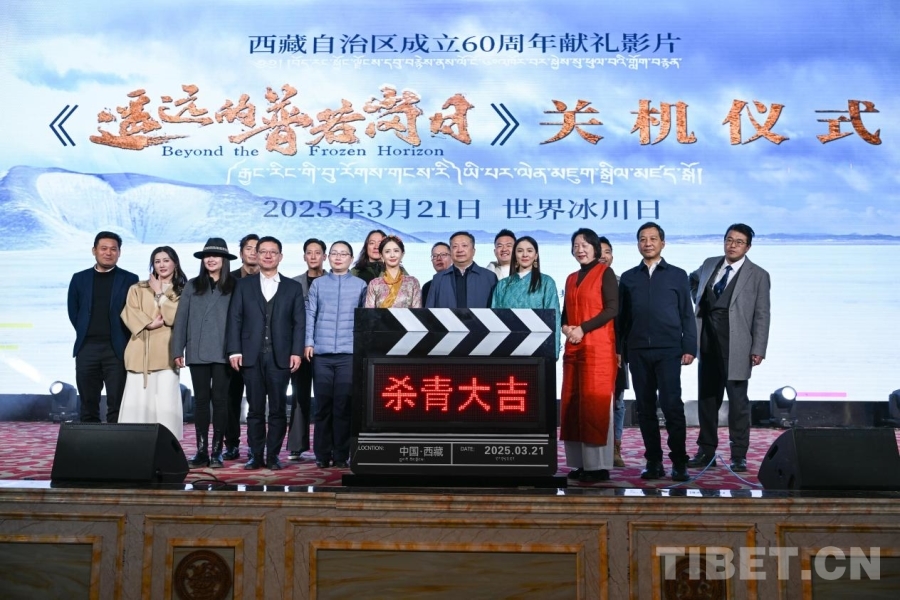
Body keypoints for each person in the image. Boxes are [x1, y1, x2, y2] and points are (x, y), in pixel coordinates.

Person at [687, 224, 771, 473]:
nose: (732, 245)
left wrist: (758, 348)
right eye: (729, 240)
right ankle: (706, 451)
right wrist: (698, 298)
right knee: (707, 400)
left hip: (738, 345)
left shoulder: (758, 274)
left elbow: (762, 314)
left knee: (738, 403)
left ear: (748, 247)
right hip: (707, 342)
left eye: (739, 242)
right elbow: (692, 279)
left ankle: (739, 454)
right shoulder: (710, 263)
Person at [618, 222, 697, 482]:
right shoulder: (628, 277)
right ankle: (653, 461)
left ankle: (679, 462)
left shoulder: (677, 275)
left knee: (672, 405)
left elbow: (687, 314)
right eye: (643, 239)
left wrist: (689, 346)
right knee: (645, 408)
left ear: (663, 243)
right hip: (638, 350)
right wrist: (620, 350)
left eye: (653, 238)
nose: (648, 243)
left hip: (669, 350)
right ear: (638, 244)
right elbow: (622, 319)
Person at [226, 236, 305, 470]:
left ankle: (273, 456)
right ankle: (256, 455)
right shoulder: (243, 285)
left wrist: (296, 352)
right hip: (251, 356)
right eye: (263, 252)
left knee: (278, 410)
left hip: (281, 357)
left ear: (280, 257)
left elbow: (299, 323)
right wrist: (234, 351)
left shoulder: (292, 287)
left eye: (273, 252)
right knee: (255, 409)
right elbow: (235, 318)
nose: (268, 256)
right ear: (257, 255)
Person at [559, 228, 619, 483]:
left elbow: (612, 309)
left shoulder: (605, 273)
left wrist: (582, 328)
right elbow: (565, 313)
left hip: (598, 350)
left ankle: (599, 466)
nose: (580, 249)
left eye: (585, 245)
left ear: (595, 248)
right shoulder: (571, 278)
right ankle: (580, 463)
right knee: (573, 405)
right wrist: (566, 328)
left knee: (595, 406)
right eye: (576, 245)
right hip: (574, 348)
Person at [170, 238, 236, 469]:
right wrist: (177, 349)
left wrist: (236, 350)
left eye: (215, 256)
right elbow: (181, 319)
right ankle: (201, 451)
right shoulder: (192, 285)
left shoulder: (234, 285)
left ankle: (217, 451)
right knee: (200, 402)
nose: (211, 259)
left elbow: (239, 320)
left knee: (220, 401)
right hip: (197, 350)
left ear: (224, 260)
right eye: (207, 256)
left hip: (223, 351)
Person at [305, 241, 367, 469]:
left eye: (343, 254)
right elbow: (310, 314)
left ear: (351, 258)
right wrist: (308, 342)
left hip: (348, 354)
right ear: (328, 257)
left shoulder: (361, 285)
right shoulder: (318, 284)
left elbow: (363, 320)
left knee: (343, 406)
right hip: (321, 354)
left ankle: (341, 454)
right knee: (322, 406)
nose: (338, 257)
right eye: (334, 253)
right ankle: (322, 454)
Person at [67, 231, 138, 423]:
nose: (108, 253)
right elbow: (74, 311)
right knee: (88, 403)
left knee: (117, 403)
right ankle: (90, 441)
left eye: (113, 249)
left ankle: (116, 441)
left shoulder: (130, 279)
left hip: (117, 348)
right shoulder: (79, 278)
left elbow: (134, 312)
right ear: (94, 250)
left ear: (119, 253)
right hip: (87, 348)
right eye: (103, 248)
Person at [119, 246, 187, 439]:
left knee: (166, 404)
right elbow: (129, 312)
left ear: (175, 263)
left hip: (166, 355)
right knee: (137, 404)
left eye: (166, 260)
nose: (162, 265)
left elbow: (174, 317)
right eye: (157, 261)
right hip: (139, 354)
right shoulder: (137, 288)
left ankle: (167, 446)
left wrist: (159, 293)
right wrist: (148, 324)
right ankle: (134, 444)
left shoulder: (182, 291)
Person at [287, 238, 327, 462]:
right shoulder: (294, 284)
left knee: (326, 398)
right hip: (300, 348)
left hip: (326, 348)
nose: (313, 256)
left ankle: (326, 446)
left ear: (325, 256)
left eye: (317, 252)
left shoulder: (333, 281)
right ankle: (297, 445)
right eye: (309, 252)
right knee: (299, 396)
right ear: (304, 257)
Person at [490, 236, 560, 354]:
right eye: (520, 251)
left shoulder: (547, 282)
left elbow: (554, 318)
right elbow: (494, 319)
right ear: (515, 255)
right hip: (507, 348)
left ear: (536, 256)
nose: (525, 255)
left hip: (538, 348)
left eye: (529, 250)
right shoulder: (502, 285)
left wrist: (553, 352)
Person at [223, 234, 258, 461]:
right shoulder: (230, 279)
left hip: (259, 349)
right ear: (241, 252)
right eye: (248, 248)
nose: (253, 252)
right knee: (231, 399)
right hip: (233, 347)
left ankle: (256, 446)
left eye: (257, 248)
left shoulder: (270, 278)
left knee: (257, 401)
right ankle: (232, 444)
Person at [600, 237, 628, 468]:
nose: (603, 256)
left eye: (607, 251)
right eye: (599, 251)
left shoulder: (622, 284)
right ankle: (595, 448)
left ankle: (615, 447)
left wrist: (621, 350)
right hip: (592, 349)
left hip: (618, 350)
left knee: (617, 401)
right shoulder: (580, 281)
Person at [425, 231, 497, 308]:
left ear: (473, 251)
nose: (460, 250)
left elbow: (497, 310)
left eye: (464, 245)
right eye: (455, 246)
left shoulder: (489, 277)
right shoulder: (438, 279)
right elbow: (429, 311)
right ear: (450, 251)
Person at [364, 236, 422, 308]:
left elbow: (417, 312)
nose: (392, 255)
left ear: (402, 254)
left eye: (396, 251)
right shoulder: (374, 284)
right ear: (382, 256)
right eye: (387, 251)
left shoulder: (412, 282)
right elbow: (369, 313)